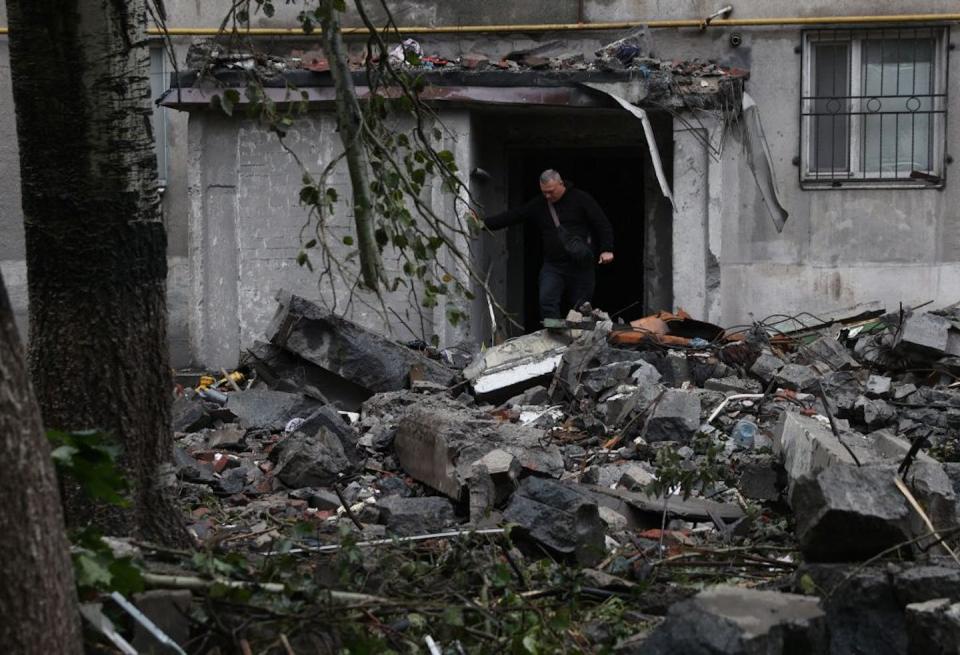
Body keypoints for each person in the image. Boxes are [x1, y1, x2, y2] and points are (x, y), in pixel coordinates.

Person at [479, 169, 615, 320]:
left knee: (581, 307)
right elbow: (515, 215)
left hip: (581, 264)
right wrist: (482, 224)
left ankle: (579, 340)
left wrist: (607, 249)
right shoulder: (540, 204)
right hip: (554, 265)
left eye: (551, 191)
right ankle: (553, 337)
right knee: (547, 301)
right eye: (544, 192)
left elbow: (602, 224)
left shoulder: (581, 198)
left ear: (561, 184)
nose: (547, 196)